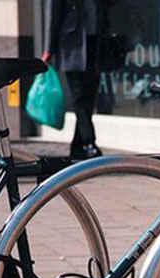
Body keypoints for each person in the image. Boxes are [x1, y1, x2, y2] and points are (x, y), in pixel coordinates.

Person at [43, 0, 112, 160]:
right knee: (80, 97)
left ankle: (77, 147)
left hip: (96, 42)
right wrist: (49, 49)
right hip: (72, 43)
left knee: (89, 96)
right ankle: (89, 142)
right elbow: (52, 14)